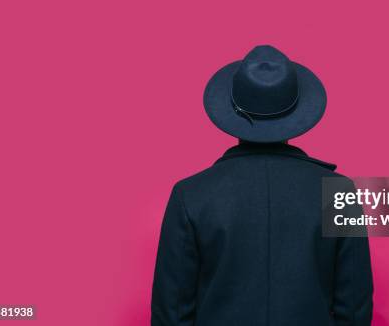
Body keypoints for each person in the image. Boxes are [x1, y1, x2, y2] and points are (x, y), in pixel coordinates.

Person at [151, 45, 373, 325]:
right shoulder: (339, 193)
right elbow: (354, 311)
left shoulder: (190, 195)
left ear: (230, 111)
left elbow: (170, 315)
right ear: (297, 110)